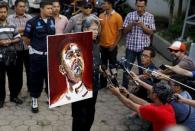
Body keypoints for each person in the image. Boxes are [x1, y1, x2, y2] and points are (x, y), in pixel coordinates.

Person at [23, 1, 55, 113]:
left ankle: (49, 97)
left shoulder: (52, 20)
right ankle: (34, 99)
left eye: (52, 8)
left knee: (49, 78)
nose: (51, 10)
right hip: (36, 57)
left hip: (49, 56)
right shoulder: (32, 22)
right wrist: (33, 49)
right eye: (48, 8)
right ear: (41, 9)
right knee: (36, 79)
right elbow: (26, 39)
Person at [71, 15, 101, 131]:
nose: (96, 32)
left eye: (97, 29)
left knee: (90, 114)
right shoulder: (76, 46)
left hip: (94, 86)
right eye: (93, 29)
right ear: (85, 29)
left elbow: (97, 63)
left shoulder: (97, 45)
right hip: (80, 88)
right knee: (79, 117)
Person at [109, 81, 176, 131]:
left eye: (151, 91)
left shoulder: (155, 110)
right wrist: (127, 94)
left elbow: (130, 104)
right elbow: (145, 103)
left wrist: (117, 94)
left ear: (155, 95)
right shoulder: (166, 105)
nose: (148, 92)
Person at [122, 0, 156, 89]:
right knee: (127, 69)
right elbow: (124, 31)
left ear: (145, 6)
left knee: (143, 71)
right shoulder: (130, 15)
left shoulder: (150, 16)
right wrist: (132, 24)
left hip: (143, 50)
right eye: (138, 6)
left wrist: (143, 26)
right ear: (135, 5)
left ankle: (142, 88)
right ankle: (124, 87)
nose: (139, 8)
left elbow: (151, 32)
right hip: (131, 48)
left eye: (141, 6)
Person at [50, 43, 92, 108]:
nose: (76, 58)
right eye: (70, 56)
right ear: (62, 69)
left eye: (78, 54)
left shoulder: (90, 94)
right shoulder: (59, 101)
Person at [0, 1, 22, 108]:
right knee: (0, 79)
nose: (2, 14)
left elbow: (18, 37)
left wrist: (10, 41)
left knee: (13, 78)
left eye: (4, 12)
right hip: (0, 58)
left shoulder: (12, 24)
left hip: (11, 56)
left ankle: (14, 96)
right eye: (0, 12)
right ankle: (1, 100)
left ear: (7, 12)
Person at [7, 0, 32, 94]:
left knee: (30, 70)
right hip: (15, 49)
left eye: (24, 6)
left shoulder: (29, 17)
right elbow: (11, 31)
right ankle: (17, 91)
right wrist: (25, 30)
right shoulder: (10, 18)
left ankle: (31, 88)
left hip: (28, 48)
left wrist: (18, 31)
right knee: (17, 72)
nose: (23, 8)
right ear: (15, 7)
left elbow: (31, 31)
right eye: (20, 6)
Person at [98, 0, 123, 88]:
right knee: (103, 65)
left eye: (104, 3)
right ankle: (103, 83)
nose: (102, 5)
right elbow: (99, 31)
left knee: (113, 65)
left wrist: (114, 45)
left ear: (110, 4)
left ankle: (114, 83)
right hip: (102, 45)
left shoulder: (118, 17)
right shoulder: (100, 16)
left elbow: (120, 33)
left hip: (112, 46)